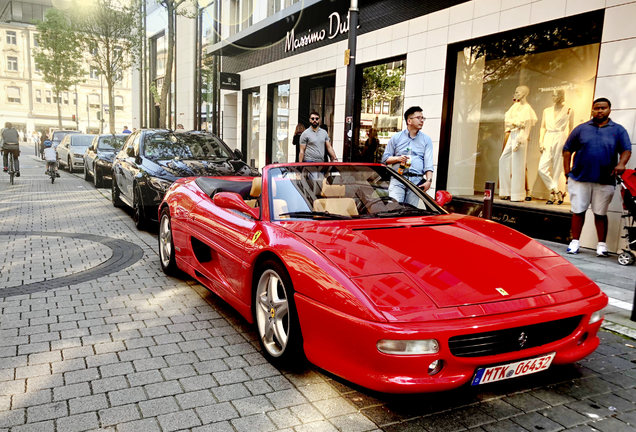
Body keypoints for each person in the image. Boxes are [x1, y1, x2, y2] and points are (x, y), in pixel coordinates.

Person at [563, 97, 632, 256]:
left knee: (600, 213)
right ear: (592, 110)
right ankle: (574, 243)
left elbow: (626, 150)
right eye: (596, 108)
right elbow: (567, 150)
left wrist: (621, 163)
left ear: (609, 109)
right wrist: (567, 172)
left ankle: (601, 245)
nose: (599, 111)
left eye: (603, 108)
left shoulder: (618, 130)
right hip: (580, 178)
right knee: (578, 211)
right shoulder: (581, 129)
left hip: (605, 179)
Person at [381, 106, 434, 205]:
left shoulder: (426, 140)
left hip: (416, 181)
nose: (422, 120)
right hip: (398, 178)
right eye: (418, 118)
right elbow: (385, 159)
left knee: (411, 211)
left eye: (423, 118)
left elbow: (428, 163)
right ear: (409, 121)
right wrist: (398, 158)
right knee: (394, 208)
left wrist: (429, 181)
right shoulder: (396, 138)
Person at [499, 85, 537, 201]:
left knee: (518, 165)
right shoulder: (514, 107)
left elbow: (527, 127)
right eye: (515, 92)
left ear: (524, 94)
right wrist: (515, 124)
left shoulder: (527, 109)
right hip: (512, 134)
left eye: (518, 92)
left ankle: (517, 194)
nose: (515, 94)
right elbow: (507, 121)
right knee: (503, 159)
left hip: (520, 136)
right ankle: (505, 190)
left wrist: (520, 140)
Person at [537, 89, 573, 205]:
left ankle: (552, 196)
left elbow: (571, 128)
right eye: (552, 95)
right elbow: (542, 127)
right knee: (542, 168)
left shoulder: (569, 110)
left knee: (558, 167)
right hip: (548, 136)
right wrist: (540, 141)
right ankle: (556, 190)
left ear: (562, 96)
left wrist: (568, 144)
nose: (554, 97)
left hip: (561, 137)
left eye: (556, 95)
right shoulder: (546, 111)